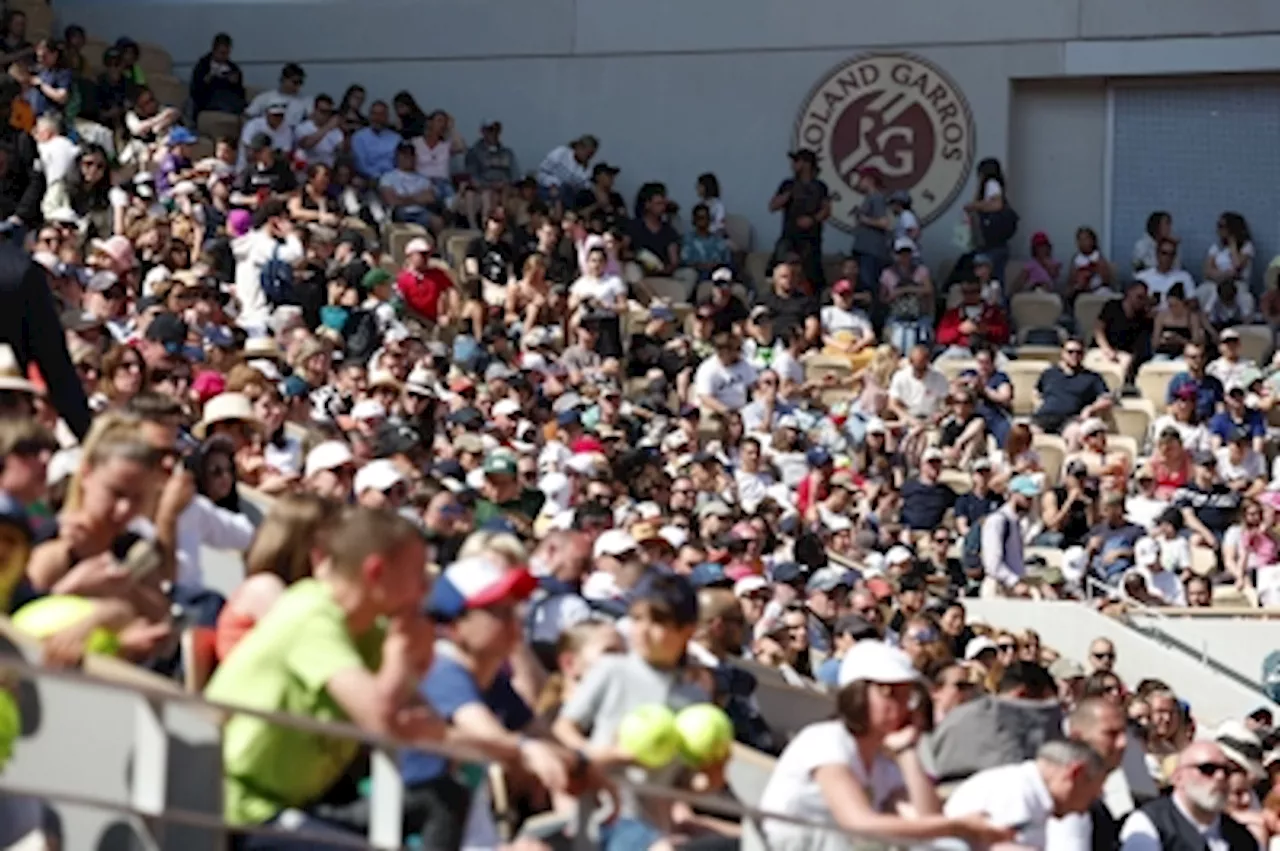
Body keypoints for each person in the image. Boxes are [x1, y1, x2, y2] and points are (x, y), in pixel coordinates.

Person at [205, 507, 443, 846]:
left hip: (296, 805)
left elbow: (427, 723)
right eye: (418, 573)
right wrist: (400, 656)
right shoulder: (311, 615)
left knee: (442, 798)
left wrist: (402, 672)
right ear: (376, 571)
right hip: (237, 807)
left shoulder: (367, 628)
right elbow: (383, 720)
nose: (425, 588)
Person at [758, 641, 1013, 849]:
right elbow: (858, 823)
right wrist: (958, 826)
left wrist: (907, 752)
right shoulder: (826, 741)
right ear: (857, 694)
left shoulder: (883, 761)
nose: (901, 705)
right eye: (888, 693)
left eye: (906, 695)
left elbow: (927, 821)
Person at [944, 738, 1109, 850]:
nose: (1083, 810)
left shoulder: (1028, 792)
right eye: (1091, 795)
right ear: (1076, 774)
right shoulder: (1016, 793)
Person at [1119, 740, 1260, 851]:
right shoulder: (1149, 824)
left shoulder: (1242, 839)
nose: (1220, 777)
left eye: (1226, 771)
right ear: (1178, 777)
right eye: (1207, 769)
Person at [981, 475, 1039, 598]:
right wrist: (1014, 582)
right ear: (1013, 494)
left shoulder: (1017, 523)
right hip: (998, 588)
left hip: (1013, 588)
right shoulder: (997, 520)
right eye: (1026, 497)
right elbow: (992, 563)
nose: (1030, 502)